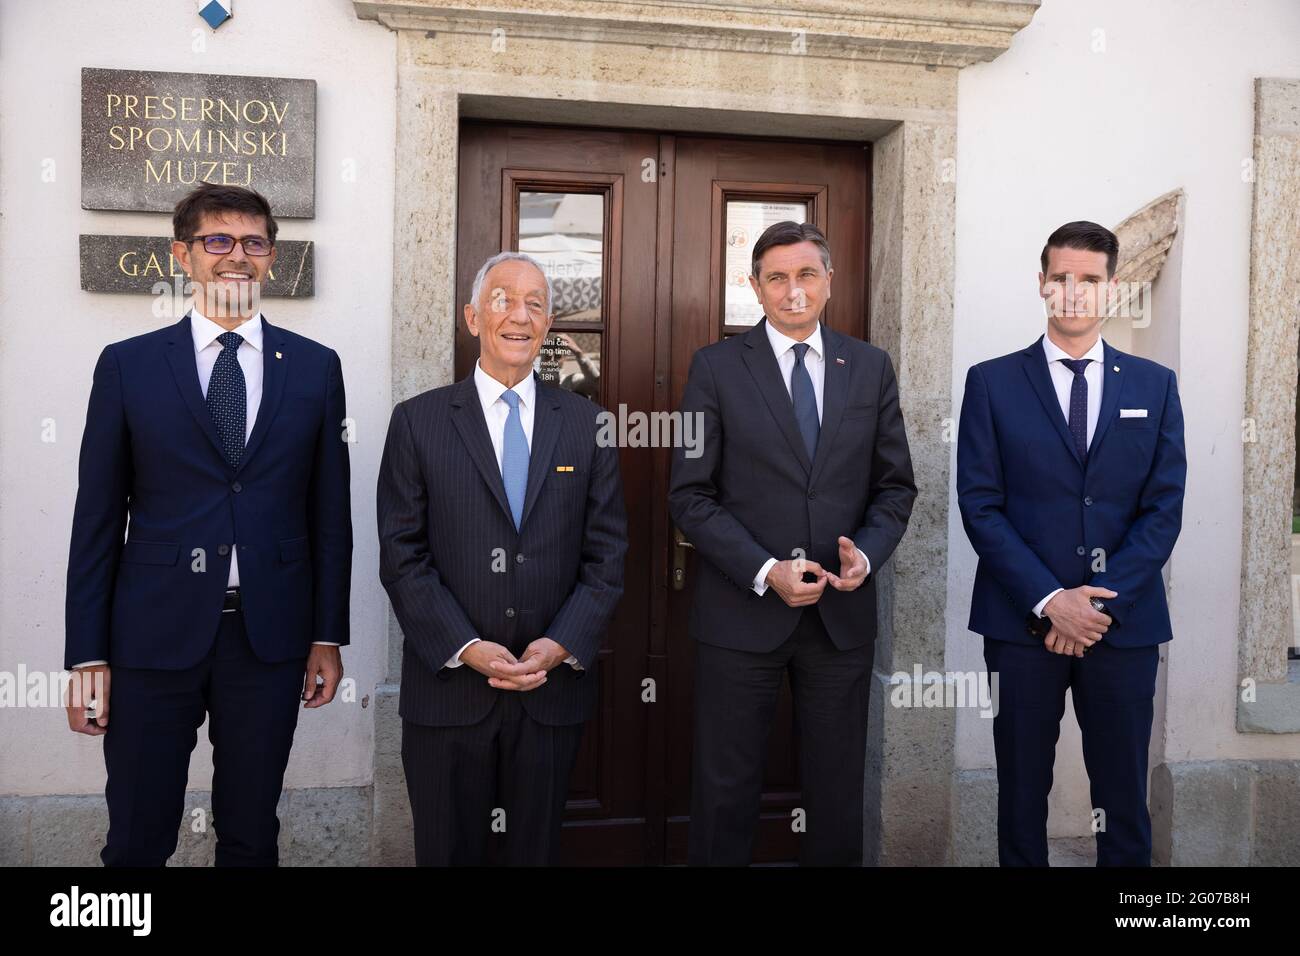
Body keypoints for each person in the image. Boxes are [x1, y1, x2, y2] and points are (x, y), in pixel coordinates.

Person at [64, 182, 352, 866]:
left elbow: (329, 513)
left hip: (268, 637)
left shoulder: (314, 369)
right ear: (182, 255)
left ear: (272, 259)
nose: (236, 257)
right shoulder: (128, 367)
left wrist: (326, 635)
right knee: (136, 835)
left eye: (253, 242)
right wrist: (87, 655)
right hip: (150, 639)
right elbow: (97, 518)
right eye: (216, 240)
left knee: (252, 833)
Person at [669, 220, 916, 865]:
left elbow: (896, 488)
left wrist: (867, 552)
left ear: (829, 281)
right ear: (755, 288)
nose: (794, 290)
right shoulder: (714, 368)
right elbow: (689, 496)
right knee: (725, 790)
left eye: (807, 274)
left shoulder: (869, 367)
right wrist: (764, 568)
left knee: (837, 792)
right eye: (776, 278)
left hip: (841, 617)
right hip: (740, 617)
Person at [377, 251, 626, 865]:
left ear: (549, 326)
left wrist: (561, 643)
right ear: (471, 317)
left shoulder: (587, 425)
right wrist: (466, 647)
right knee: (447, 850)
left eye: (536, 303)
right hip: (448, 692)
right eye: (503, 300)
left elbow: (608, 554)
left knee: (532, 853)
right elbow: (401, 554)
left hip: (548, 691)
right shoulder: (418, 422)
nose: (520, 315)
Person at [956, 220, 1186, 866]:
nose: (1074, 292)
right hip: (1019, 624)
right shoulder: (992, 383)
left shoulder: (1154, 386)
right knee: (1021, 790)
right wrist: (1051, 598)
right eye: (1061, 278)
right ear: (1041, 284)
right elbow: (980, 503)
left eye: (1089, 280)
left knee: (1121, 791)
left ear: (1112, 288)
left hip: (1124, 626)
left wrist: (1095, 606)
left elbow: (1163, 509)